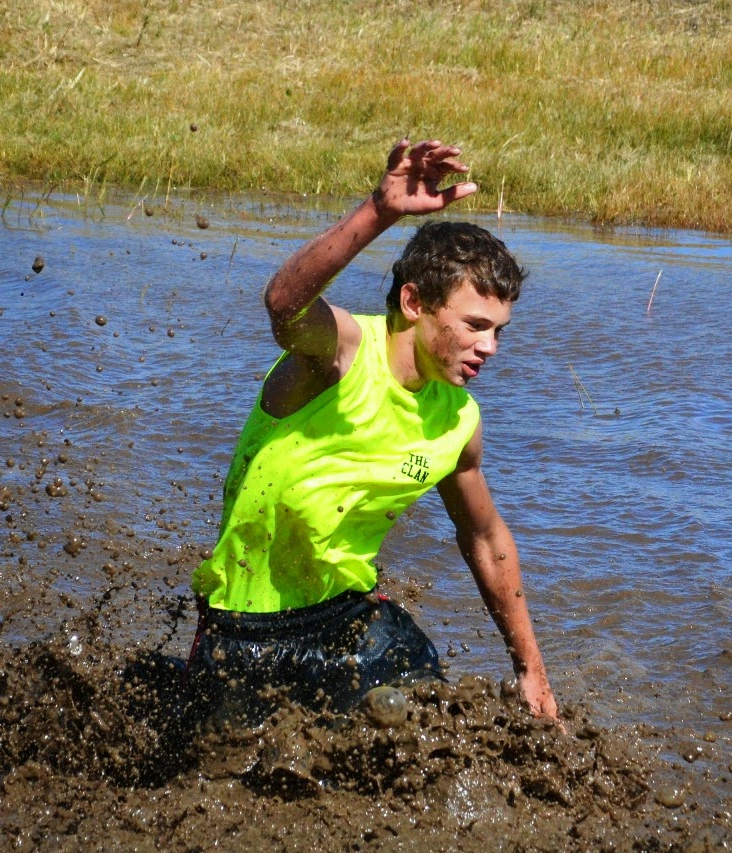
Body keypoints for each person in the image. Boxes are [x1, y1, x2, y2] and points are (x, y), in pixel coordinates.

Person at [188, 138, 557, 724]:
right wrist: (379, 211)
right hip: (245, 624)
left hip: (348, 617)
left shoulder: (459, 421)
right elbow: (284, 302)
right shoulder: (340, 355)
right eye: (475, 325)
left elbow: (486, 539)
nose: (490, 346)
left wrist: (530, 669)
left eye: (499, 330)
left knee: (425, 725)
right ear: (414, 302)